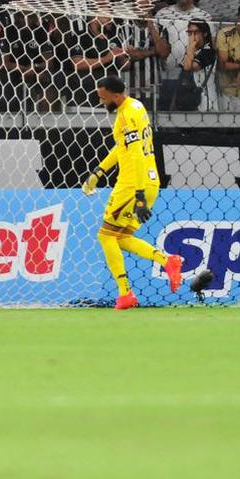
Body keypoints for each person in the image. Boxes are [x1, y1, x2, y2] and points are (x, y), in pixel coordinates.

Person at [80, 75, 182, 309]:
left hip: (132, 184)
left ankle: (125, 293)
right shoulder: (137, 106)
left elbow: (135, 154)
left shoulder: (125, 116)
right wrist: (98, 172)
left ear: (116, 96)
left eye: (103, 98)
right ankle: (168, 261)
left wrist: (138, 195)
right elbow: (123, 148)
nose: (101, 101)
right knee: (121, 237)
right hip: (150, 180)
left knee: (106, 236)